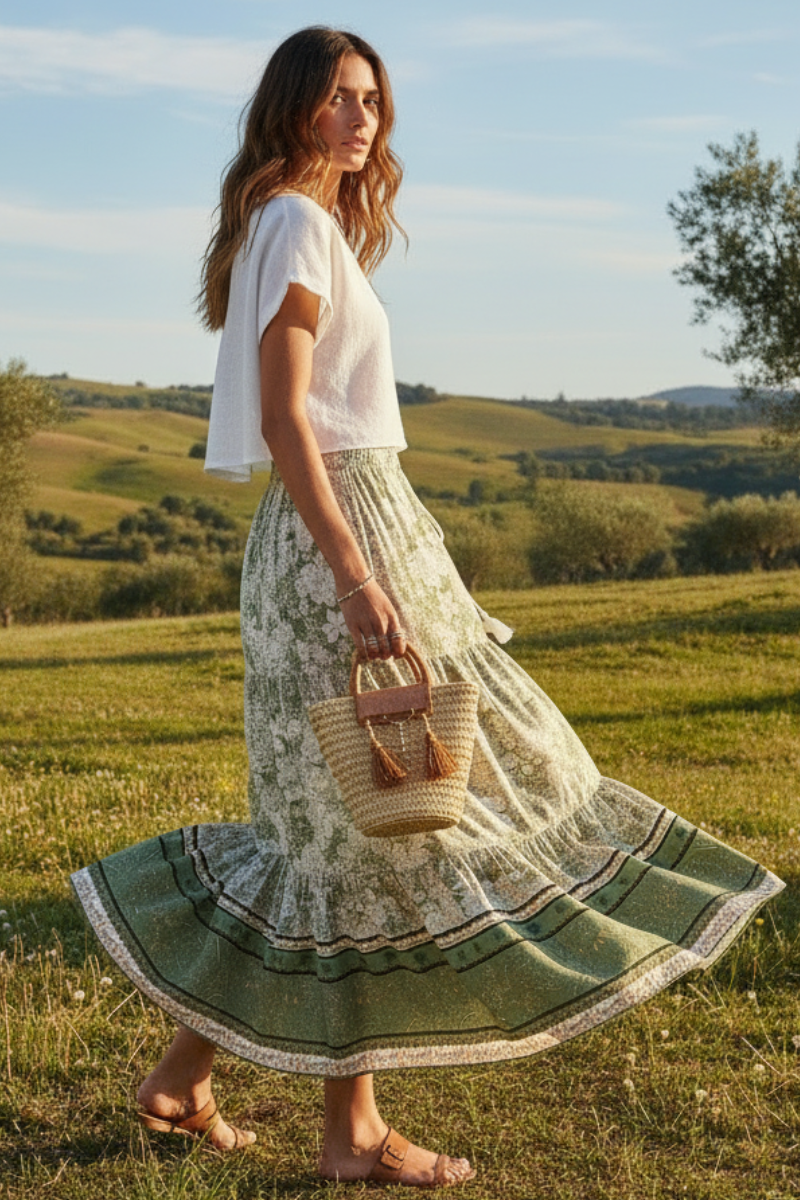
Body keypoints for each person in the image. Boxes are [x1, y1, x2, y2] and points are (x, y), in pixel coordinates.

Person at [71, 26, 783, 1190]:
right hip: (337, 536)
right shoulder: (297, 222)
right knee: (371, 835)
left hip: (335, 532)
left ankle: (182, 1077)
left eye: (373, 102)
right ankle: (348, 1133)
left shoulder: (288, 221)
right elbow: (291, 416)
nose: (365, 121)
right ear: (296, 109)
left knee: (337, 830)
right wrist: (359, 579)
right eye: (342, 100)